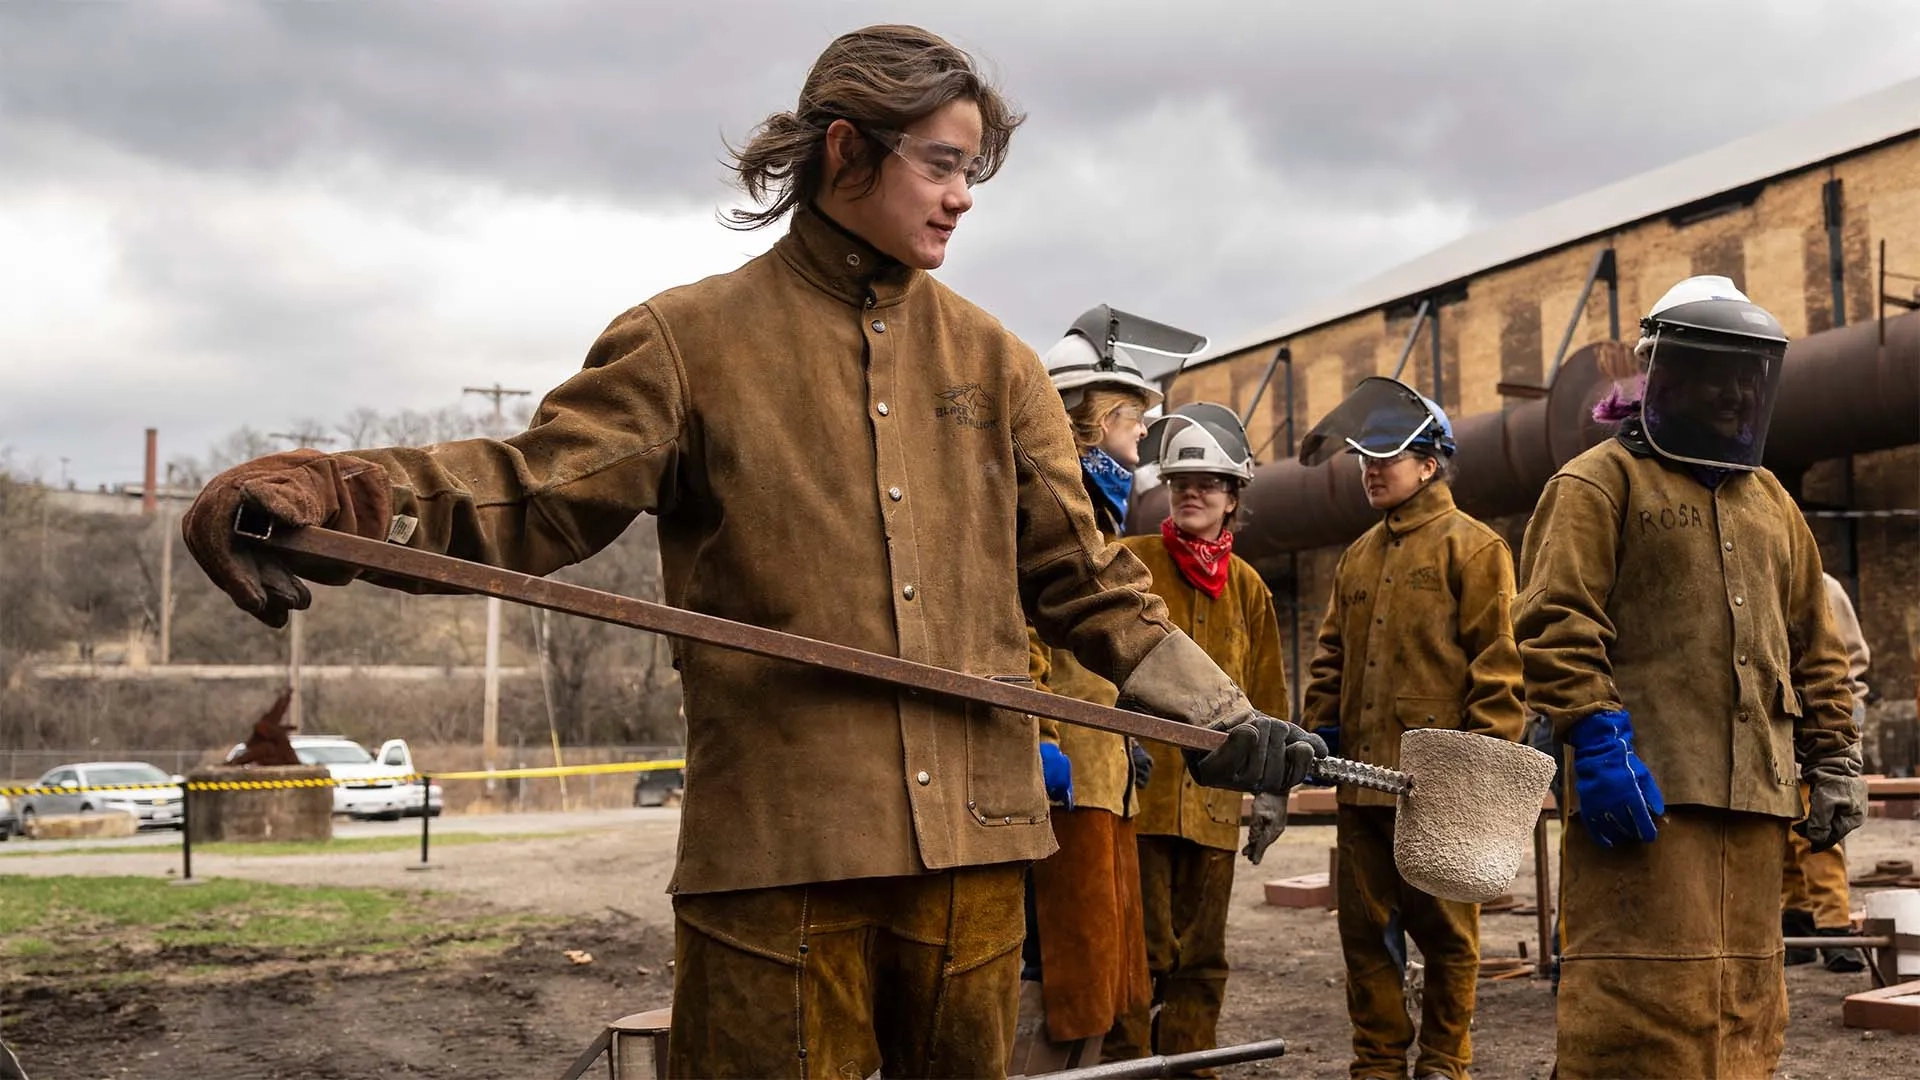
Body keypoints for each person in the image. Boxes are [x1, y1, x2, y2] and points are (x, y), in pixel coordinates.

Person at [178, 25, 1323, 1078]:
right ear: (845, 151)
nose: (965, 197)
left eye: (975, 171)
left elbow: (1087, 582)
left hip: (974, 859)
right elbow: (533, 491)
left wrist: (1219, 717)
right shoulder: (689, 342)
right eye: (941, 163)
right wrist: (337, 495)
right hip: (780, 857)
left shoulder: (999, 365)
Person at [1515, 276, 1862, 1079]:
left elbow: (1816, 645)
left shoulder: (1771, 502)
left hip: (1759, 800)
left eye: (1749, 375)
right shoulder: (1599, 483)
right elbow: (1553, 622)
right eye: (1717, 373)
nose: (1737, 391)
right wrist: (1598, 741)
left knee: (1742, 1004)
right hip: (1644, 796)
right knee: (1636, 1005)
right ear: (1665, 375)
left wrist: (1835, 756)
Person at [1297, 378, 1527, 1080]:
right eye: (1364, 458)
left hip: (1442, 788)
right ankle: (1377, 1063)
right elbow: (1330, 655)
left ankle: (1444, 1062)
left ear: (1430, 462)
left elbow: (1500, 664)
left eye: (1386, 457)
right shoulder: (1358, 556)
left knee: (1448, 934)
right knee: (1365, 934)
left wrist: (1482, 773)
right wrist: (1319, 733)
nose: (1370, 469)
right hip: (1361, 784)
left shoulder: (1476, 548)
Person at [1015, 306, 1207, 1070]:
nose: (1141, 440)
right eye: (1133, 421)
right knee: (1063, 971)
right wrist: (1038, 738)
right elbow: (1021, 630)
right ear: (1095, 422)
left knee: (1109, 972)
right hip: (1065, 784)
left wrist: (1123, 736)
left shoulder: (1095, 513)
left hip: (1103, 779)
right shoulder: (1044, 510)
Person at [1105, 403, 1291, 1067]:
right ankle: (1127, 1068)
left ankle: (1192, 1068)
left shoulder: (1248, 590)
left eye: (1209, 483)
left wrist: (1273, 792)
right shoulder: (1132, 563)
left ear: (1233, 497)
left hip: (1213, 812)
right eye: (1182, 483)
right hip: (1140, 802)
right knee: (1136, 957)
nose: (1193, 493)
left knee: (1202, 963)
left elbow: (1267, 699)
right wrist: (1111, 742)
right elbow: (1095, 659)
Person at [1781, 572, 1874, 972]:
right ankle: (1797, 923)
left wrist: (1841, 728)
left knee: (1821, 833)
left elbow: (1845, 667)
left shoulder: (1821, 587)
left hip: (1815, 721)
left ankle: (1835, 929)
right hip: (1774, 726)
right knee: (1782, 830)